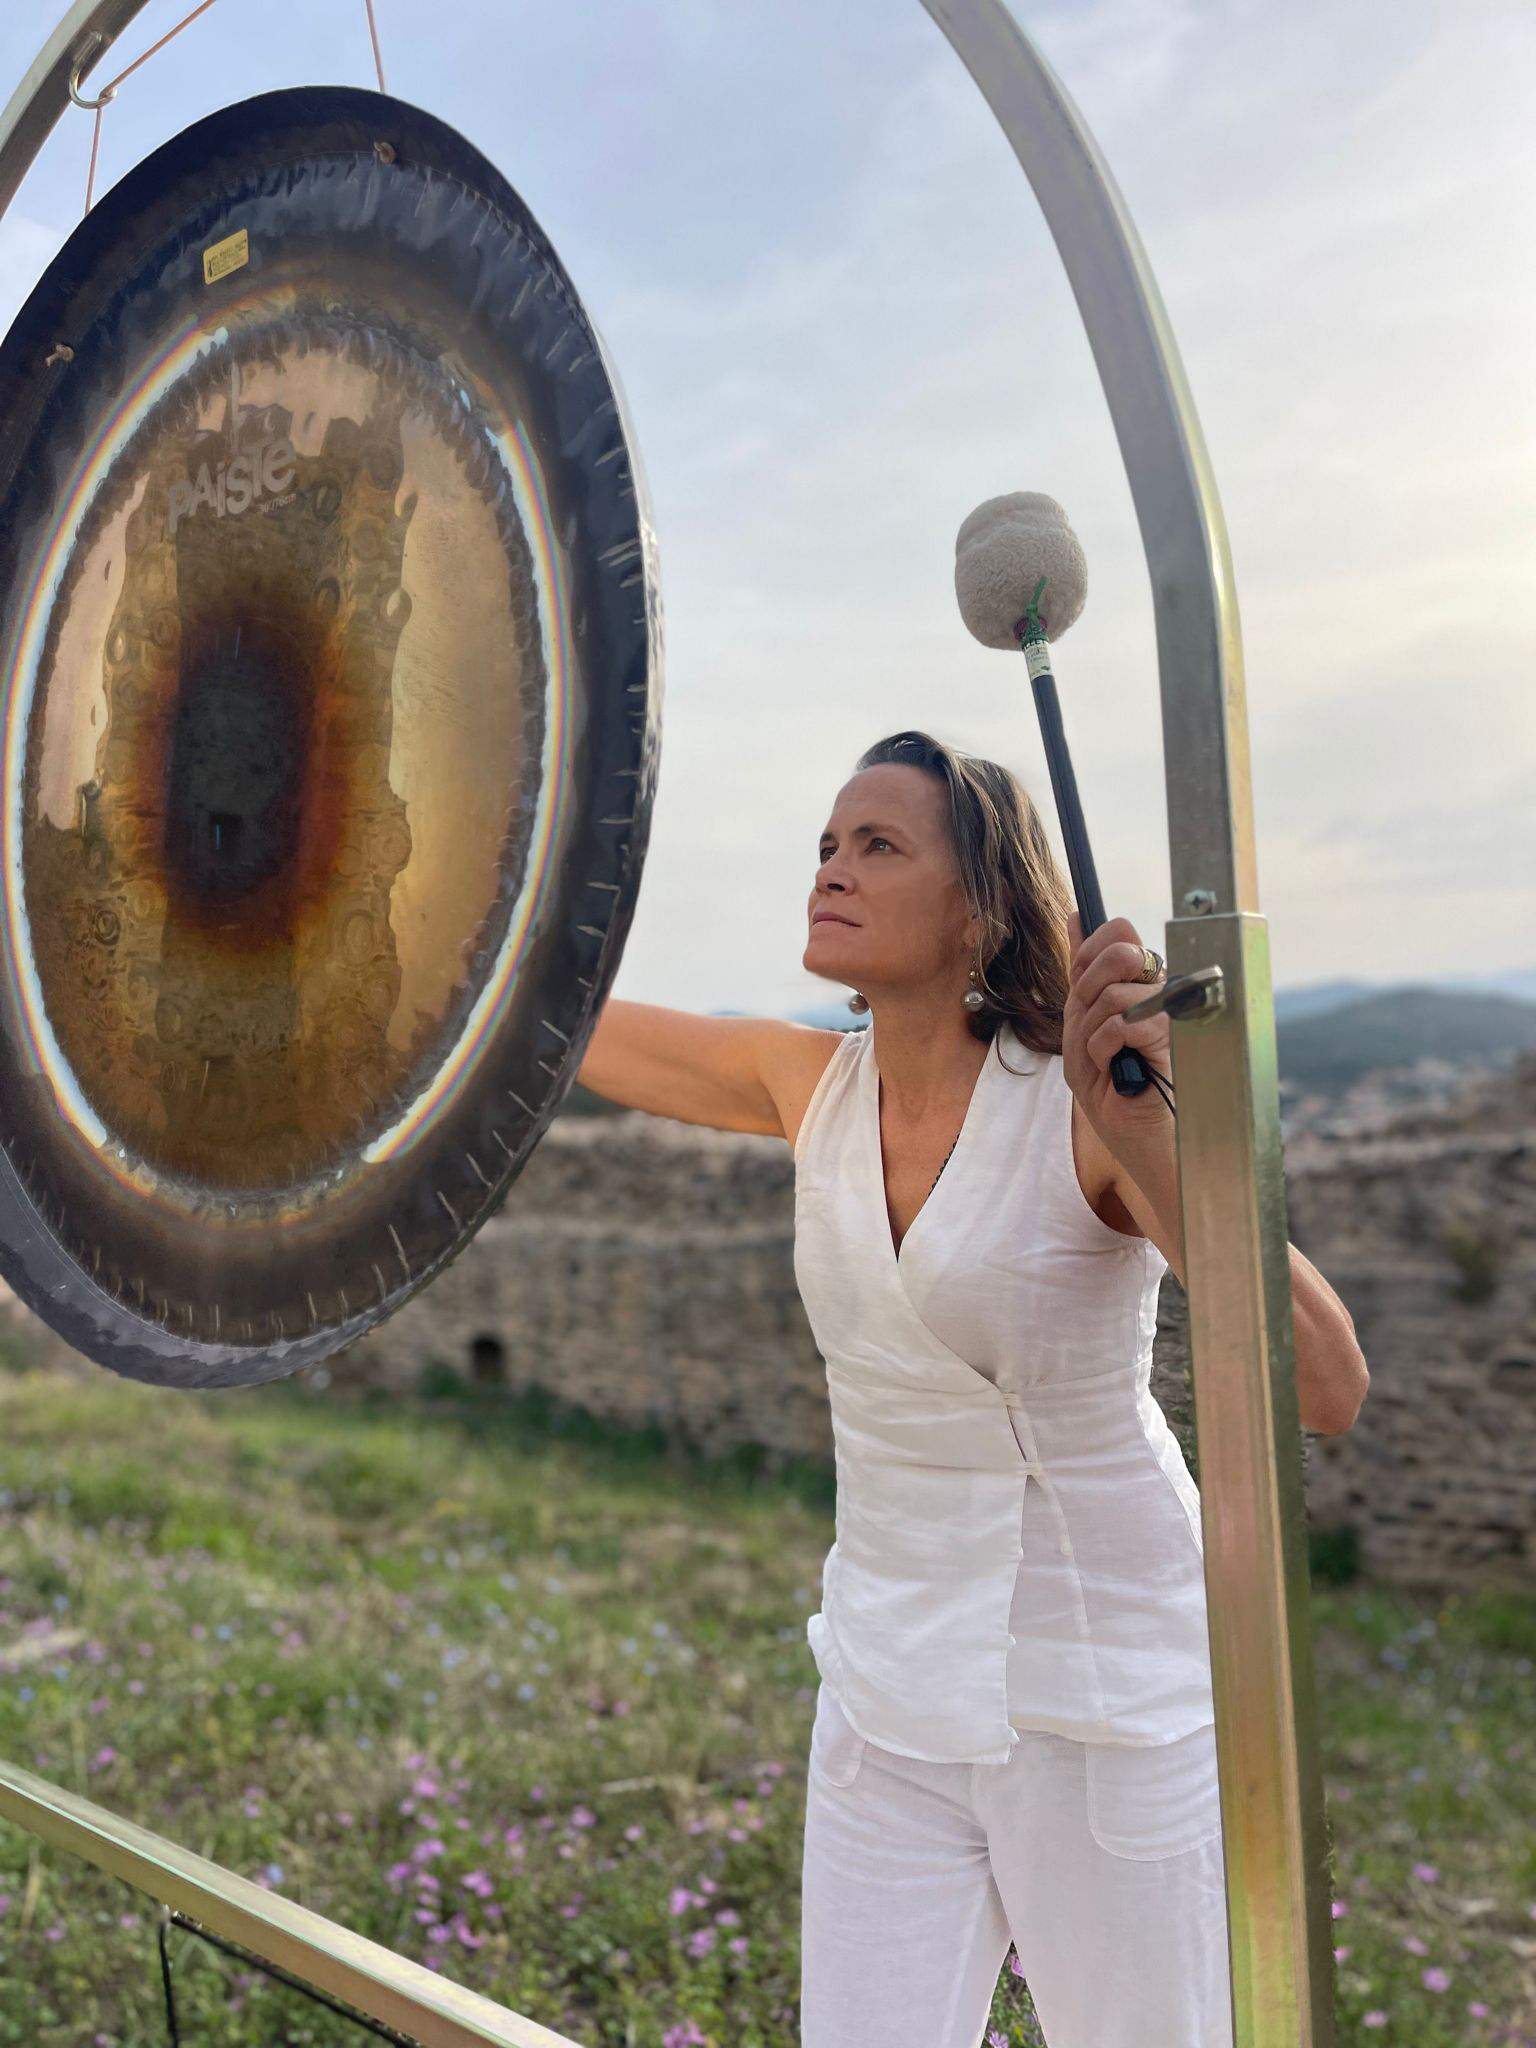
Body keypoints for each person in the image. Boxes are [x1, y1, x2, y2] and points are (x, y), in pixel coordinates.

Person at [576, 729, 1368, 2048]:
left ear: (982, 908)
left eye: (878, 845)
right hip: (886, 1687)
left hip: (1103, 1695)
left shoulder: (1075, 1111)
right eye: (828, 843)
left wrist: (1150, 1138)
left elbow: (1327, 1385)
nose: (832, 867)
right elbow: (558, 1033)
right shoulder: (804, 1083)